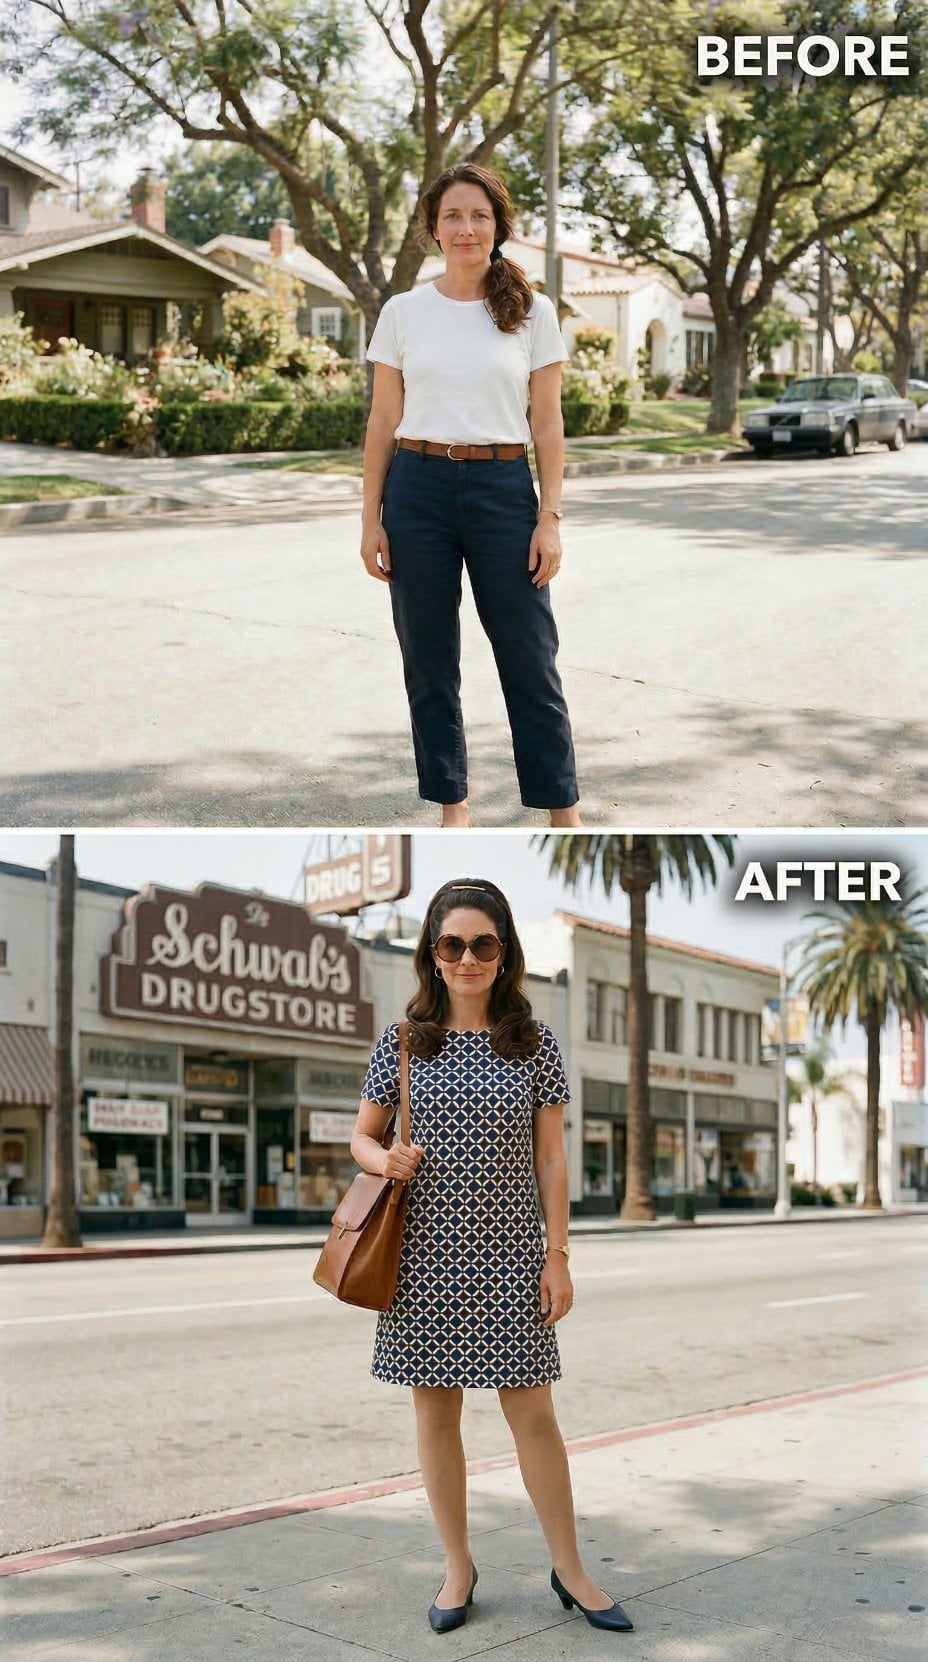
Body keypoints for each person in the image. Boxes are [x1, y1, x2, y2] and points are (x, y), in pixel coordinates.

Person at [349, 878, 633, 1634]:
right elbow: (361, 1138)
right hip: (423, 1256)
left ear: (503, 953)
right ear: (432, 954)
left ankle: (570, 1568)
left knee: (534, 1414)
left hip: (511, 1255)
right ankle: (458, 1567)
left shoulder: (533, 1043)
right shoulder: (403, 1042)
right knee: (435, 1414)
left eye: (483, 943)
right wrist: (384, 1160)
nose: (467, 957)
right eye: (452, 944)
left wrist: (557, 1254)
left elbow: (552, 1159)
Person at [360, 162, 581, 830]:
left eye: (479, 215)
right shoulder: (403, 312)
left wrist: (550, 517)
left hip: (502, 489)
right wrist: (371, 518)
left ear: (498, 226)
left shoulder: (533, 312)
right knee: (428, 659)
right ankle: (453, 804)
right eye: (452, 215)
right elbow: (382, 421)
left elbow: (548, 423)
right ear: (434, 228)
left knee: (530, 656)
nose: (466, 228)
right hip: (417, 489)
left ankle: (562, 808)